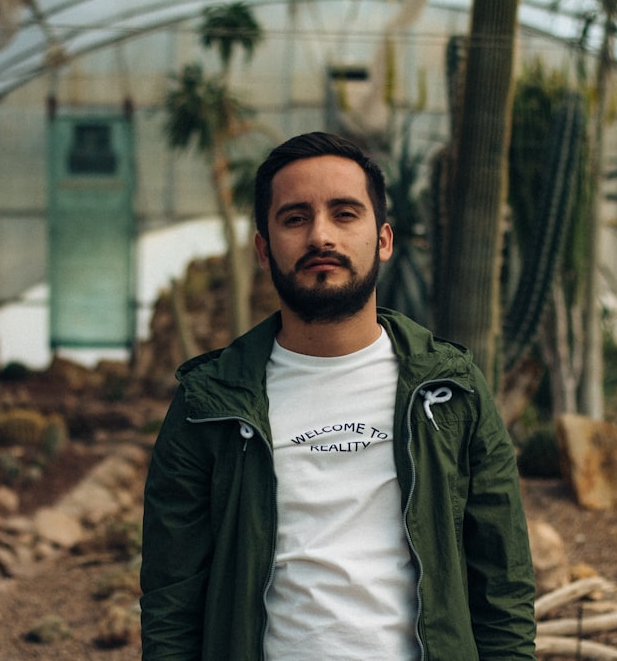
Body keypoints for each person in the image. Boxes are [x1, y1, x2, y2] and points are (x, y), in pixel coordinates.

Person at [140, 131, 536, 660]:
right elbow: (171, 603)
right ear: (263, 248)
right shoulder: (209, 403)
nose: (320, 236)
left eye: (345, 213)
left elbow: (502, 587)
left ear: (384, 240)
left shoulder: (452, 391)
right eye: (295, 217)